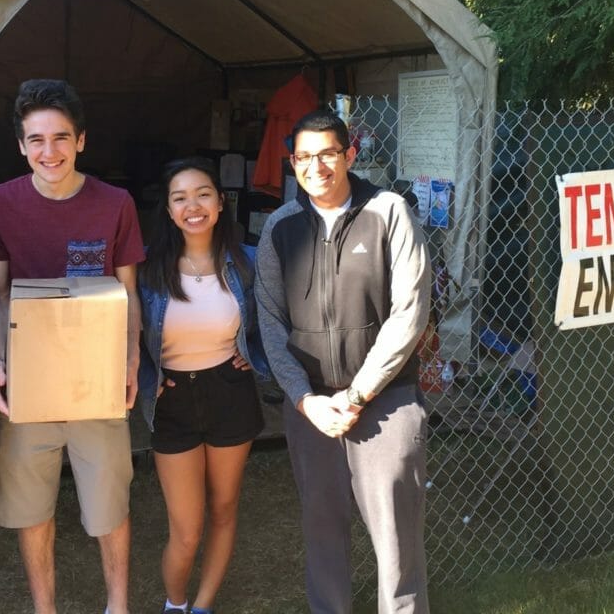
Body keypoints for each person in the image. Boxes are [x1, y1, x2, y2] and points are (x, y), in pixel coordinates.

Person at [0, 79, 144, 614]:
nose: (51, 152)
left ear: (81, 141)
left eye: (61, 138)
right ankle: (44, 609)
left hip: (98, 377)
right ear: (22, 145)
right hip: (29, 379)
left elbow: (128, 294)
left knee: (108, 504)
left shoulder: (115, 203)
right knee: (31, 505)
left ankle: (117, 605)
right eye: (37, 140)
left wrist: (133, 358)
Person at [255, 110, 432, 613]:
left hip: (387, 402)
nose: (318, 166)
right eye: (305, 157)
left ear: (349, 154)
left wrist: (358, 395)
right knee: (323, 530)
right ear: (292, 163)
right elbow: (269, 319)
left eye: (328, 154)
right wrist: (305, 399)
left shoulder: (389, 212)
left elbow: (410, 312)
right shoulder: (281, 228)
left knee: (397, 542)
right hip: (311, 409)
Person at [138, 157, 270, 614]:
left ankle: (204, 605)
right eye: (180, 198)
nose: (192, 205)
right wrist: (143, 379)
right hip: (171, 399)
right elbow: (126, 337)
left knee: (224, 509)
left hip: (229, 391)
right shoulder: (146, 269)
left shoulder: (248, 262)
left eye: (202, 194)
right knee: (187, 529)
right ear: (170, 211)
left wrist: (253, 355)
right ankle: (175, 604)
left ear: (219, 203)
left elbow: (273, 323)